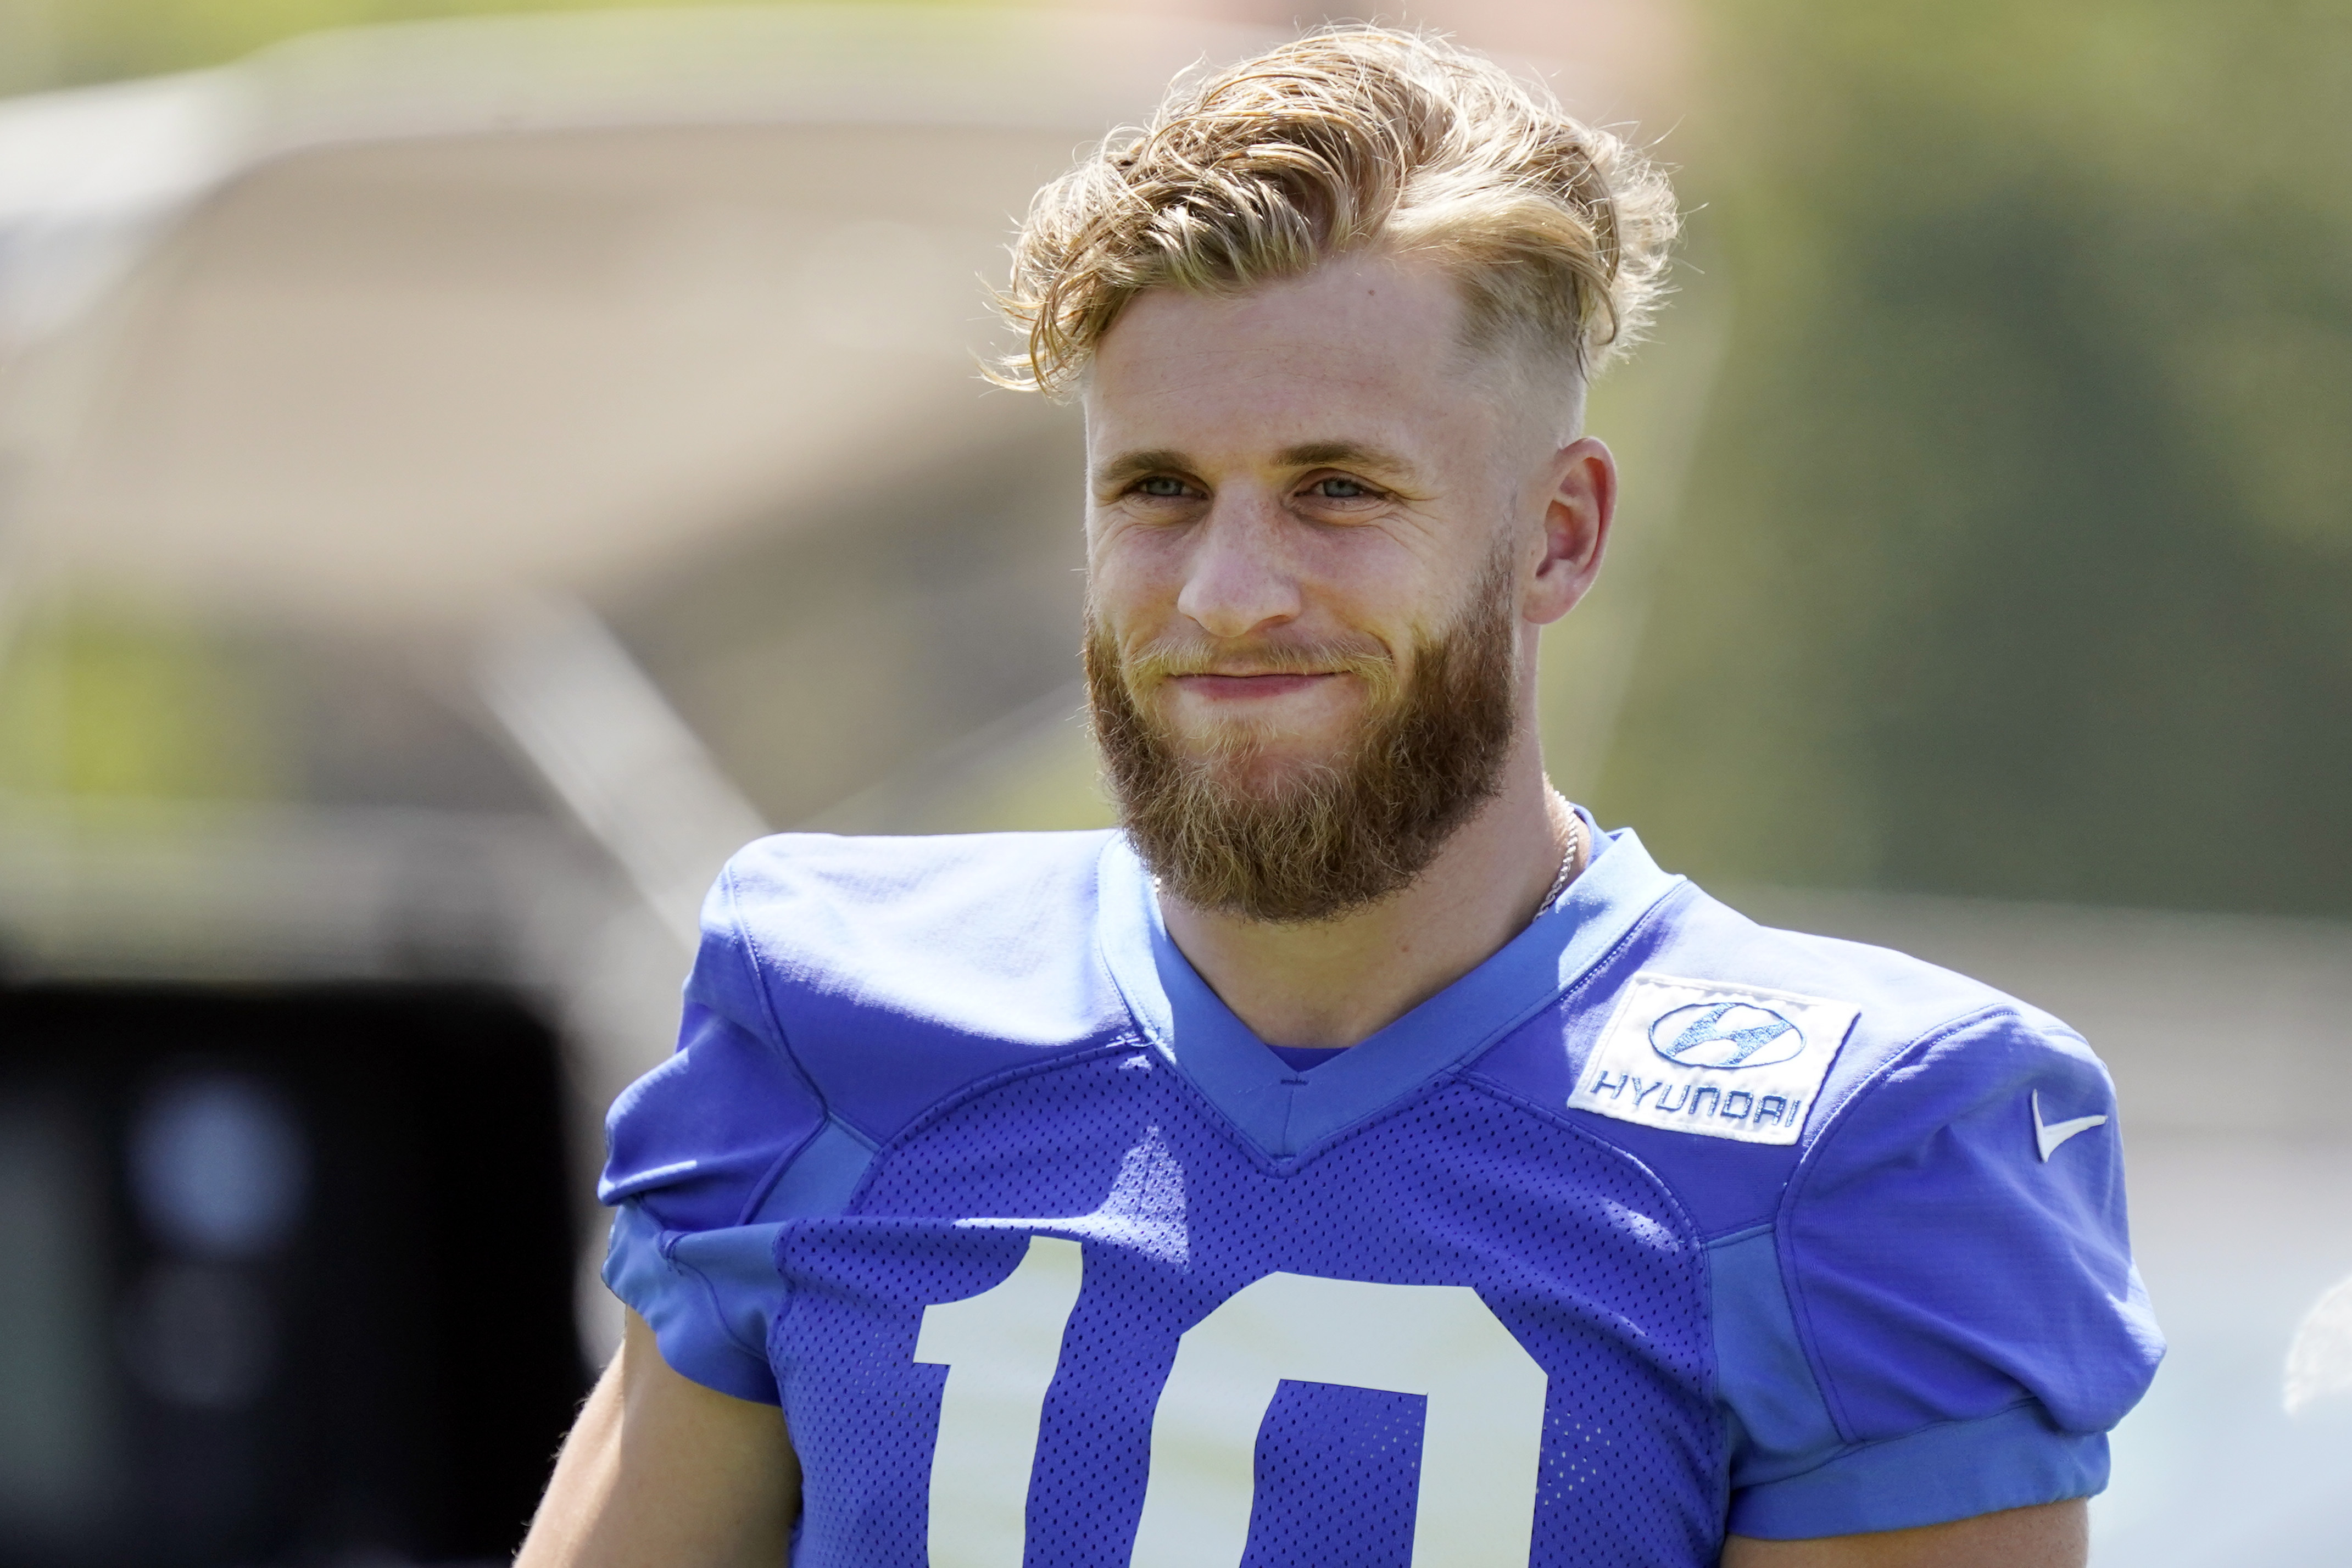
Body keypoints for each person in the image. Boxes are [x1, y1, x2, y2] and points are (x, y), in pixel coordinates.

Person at [516, 26, 2160, 1568]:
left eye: (1337, 490)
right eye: (1160, 491)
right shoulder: (836, 1015)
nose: (1228, 593)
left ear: (1559, 535)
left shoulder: (1860, 1143)